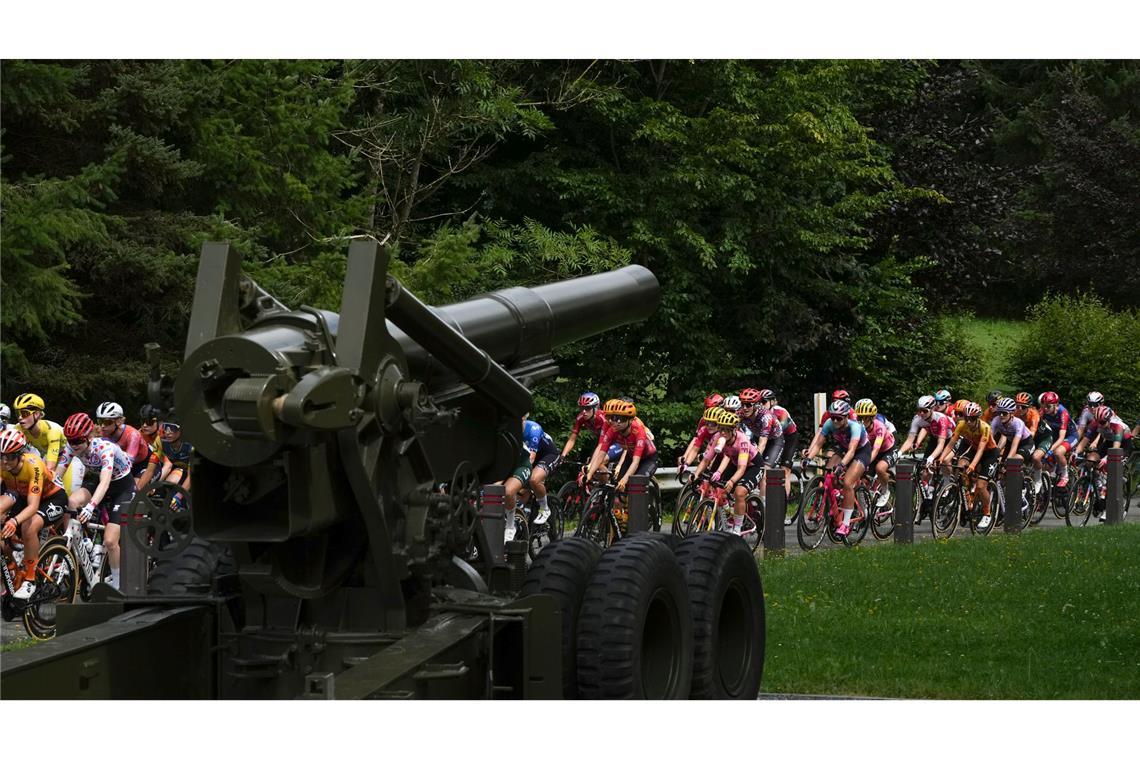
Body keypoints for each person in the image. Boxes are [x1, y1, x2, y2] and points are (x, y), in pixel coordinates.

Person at [55, 412, 135, 590]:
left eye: (77, 441)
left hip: (121, 486)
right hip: (96, 480)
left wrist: (91, 507)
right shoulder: (71, 447)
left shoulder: (105, 448)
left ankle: (118, 584)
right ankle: (83, 543)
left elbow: (105, 483)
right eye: (69, 440)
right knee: (72, 502)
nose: (73, 445)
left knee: (110, 541)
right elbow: (56, 476)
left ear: (89, 437)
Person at [0, 428, 70, 599]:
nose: (4, 461)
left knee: (28, 526)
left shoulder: (34, 465)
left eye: (9, 457)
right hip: (24, 495)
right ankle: (11, 565)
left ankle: (30, 579)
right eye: (0, 456)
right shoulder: (2, 465)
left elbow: (33, 507)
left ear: (19, 454)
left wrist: (13, 521)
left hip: (53, 498)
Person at [804, 399, 872, 538]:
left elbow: (852, 451)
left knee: (847, 482)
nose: (835, 421)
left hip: (861, 451)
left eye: (838, 418)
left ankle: (846, 523)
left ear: (847, 417)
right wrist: (808, 458)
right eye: (832, 417)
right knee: (829, 473)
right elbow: (818, 445)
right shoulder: (829, 423)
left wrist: (842, 466)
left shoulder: (855, 427)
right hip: (843, 449)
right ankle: (839, 498)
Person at [689, 407, 761, 535]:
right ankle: (730, 514)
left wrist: (732, 481)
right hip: (735, 463)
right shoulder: (718, 437)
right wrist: (696, 474)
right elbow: (706, 460)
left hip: (752, 465)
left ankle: (737, 528)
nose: (723, 433)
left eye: (726, 430)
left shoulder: (742, 440)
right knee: (719, 490)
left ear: (734, 430)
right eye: (721, 428)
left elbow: (742, 468)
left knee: (739, 492)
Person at [939, 402, 998, 530]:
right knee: (960, 466)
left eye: (972, 419)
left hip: (989, 453)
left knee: (982, 485)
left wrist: (973, 465)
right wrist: (941, 458)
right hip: (973, 448)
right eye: (966, 418)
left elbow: (982, 450)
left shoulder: (985, 427)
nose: (969, 421)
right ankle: (966, 497)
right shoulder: (961, 425)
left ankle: (987, 513)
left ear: (977, 418)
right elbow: (950, 444)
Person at [585, 399, 657, 492]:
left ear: (630, 420)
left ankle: (638, 505)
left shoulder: (638, 431)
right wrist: (589, 474)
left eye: (621, 419)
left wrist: (624, 480)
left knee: (637, 485)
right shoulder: (613, 430)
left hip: (648, 459)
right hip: (630, 456)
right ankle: (620, 505)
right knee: (617, 488)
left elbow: (636, 462)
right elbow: (601, 454)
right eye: (614, 418)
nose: (616, 422)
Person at [854, 398, 896, 507]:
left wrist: (865, 463)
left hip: (887, 450)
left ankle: (885, 491)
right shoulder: (857, 427)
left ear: (872, 418)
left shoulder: (879, 427)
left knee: (880, 468)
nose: (862, 421)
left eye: (865, 418)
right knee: (863, 480)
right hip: (871, 451)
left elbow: (876, 449)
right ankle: (865, 509)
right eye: (860, 418)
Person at [96, 401, 150, 483]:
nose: (102, 426)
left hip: (144, 465)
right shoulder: (102, 432)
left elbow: (127, 463)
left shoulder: (132, 435)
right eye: (100, 421)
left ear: (119, 422)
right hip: (121, 464)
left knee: (135, 489)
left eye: (107, 422)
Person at [13, 393, 65, 475]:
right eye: (17, 414)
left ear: (37, 414)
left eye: (24, 414)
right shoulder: (18, 428)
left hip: (72, 454)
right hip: (50, 454)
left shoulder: (52, 430)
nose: (20, 417)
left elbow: (50, 467)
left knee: (52, 480)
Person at [522, 415, 560, 525]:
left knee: (533, 480)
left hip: (548, 455)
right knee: (520, 491)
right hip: (529, 456)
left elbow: (531, 458)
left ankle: (544, 508)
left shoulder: (533, 429)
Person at [1034, 391, 1077, 488]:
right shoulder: (1043, 411)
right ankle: (1051, 476)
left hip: (1070, 436)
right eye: (1044, 406)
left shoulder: (1063, 412)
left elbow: (1062, 438)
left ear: (1056, 405)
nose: (1045, 409)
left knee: (1057, 452)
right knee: (1044, 457)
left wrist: (1050, 450)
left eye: (1048, 406)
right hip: (1055, 435)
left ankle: (1065, 475)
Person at [898, 395, 953, 468]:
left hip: (951, 439)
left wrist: (931, 458)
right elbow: (909, 440)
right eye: (919, 410)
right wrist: (899, 453)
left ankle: (947, 479)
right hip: (935, 437)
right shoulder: (917, 419)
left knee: (944, 463)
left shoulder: (941, 419)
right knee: (925, 468)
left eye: (925, 411)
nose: (921, 413)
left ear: (932, 409)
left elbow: (940, 445)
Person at [739, 388, 784, 470]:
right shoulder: (740, 413)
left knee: (764, 468)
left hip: (774, 440)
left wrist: (756, 460)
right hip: (757, 436)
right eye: (742, 404)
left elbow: (762, 443)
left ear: (756, 405)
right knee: (746, 464)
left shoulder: (766, 417)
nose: (745, 408)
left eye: (748, 405)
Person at [561, 392, 607, 463]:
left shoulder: (603, 418)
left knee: (598, 463)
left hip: (616, 441)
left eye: (587, 408)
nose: (584, 412)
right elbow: (572, 439)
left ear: (596, 407)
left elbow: (602, 444)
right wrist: (562, 456)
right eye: (582, 408)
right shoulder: (581, 417)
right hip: (601, 441)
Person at [990, 397, 1035, 462]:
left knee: (1014, 461)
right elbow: (990, 437)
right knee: (1000, 465)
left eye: (1004, 413)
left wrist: (1008, 460)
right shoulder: (996, 420)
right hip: (1010, 442)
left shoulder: (1018, 423)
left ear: (1011, 413)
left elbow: (1015, 445)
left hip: (1025, 443)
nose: (1001, 415)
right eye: (999, 412)